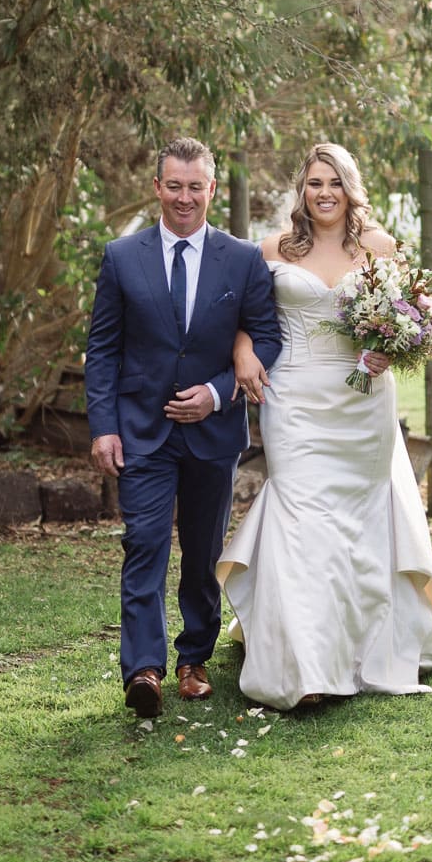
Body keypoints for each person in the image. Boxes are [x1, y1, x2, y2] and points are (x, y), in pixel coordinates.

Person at [218, 142, 432, 711]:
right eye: (313, 183)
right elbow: (246, 319)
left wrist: (391, 347)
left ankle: (360, 647)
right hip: (295, 397)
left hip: (363, 401)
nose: (323, 192)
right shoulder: (271, 248)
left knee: (357, 521)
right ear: (300, 191)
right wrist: (242, 353)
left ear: (350, 188)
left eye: (334, 182)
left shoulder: (378, 247)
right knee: (302, 517)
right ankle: (305, 666)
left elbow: (419, 321)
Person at [85, 137, 283, 720]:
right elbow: (103, 350)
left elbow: (265, 336)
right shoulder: (122, 257)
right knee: (142, 545)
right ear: (157, 188)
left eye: (196, 186)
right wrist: (103, 427)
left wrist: (219, 393)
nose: (184, 197)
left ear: (212, 190)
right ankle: (143, 669)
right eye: (174, 185)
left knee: (202, 553)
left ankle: (195, 657)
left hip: (213, 434)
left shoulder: (242, 259)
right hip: (140, 431)